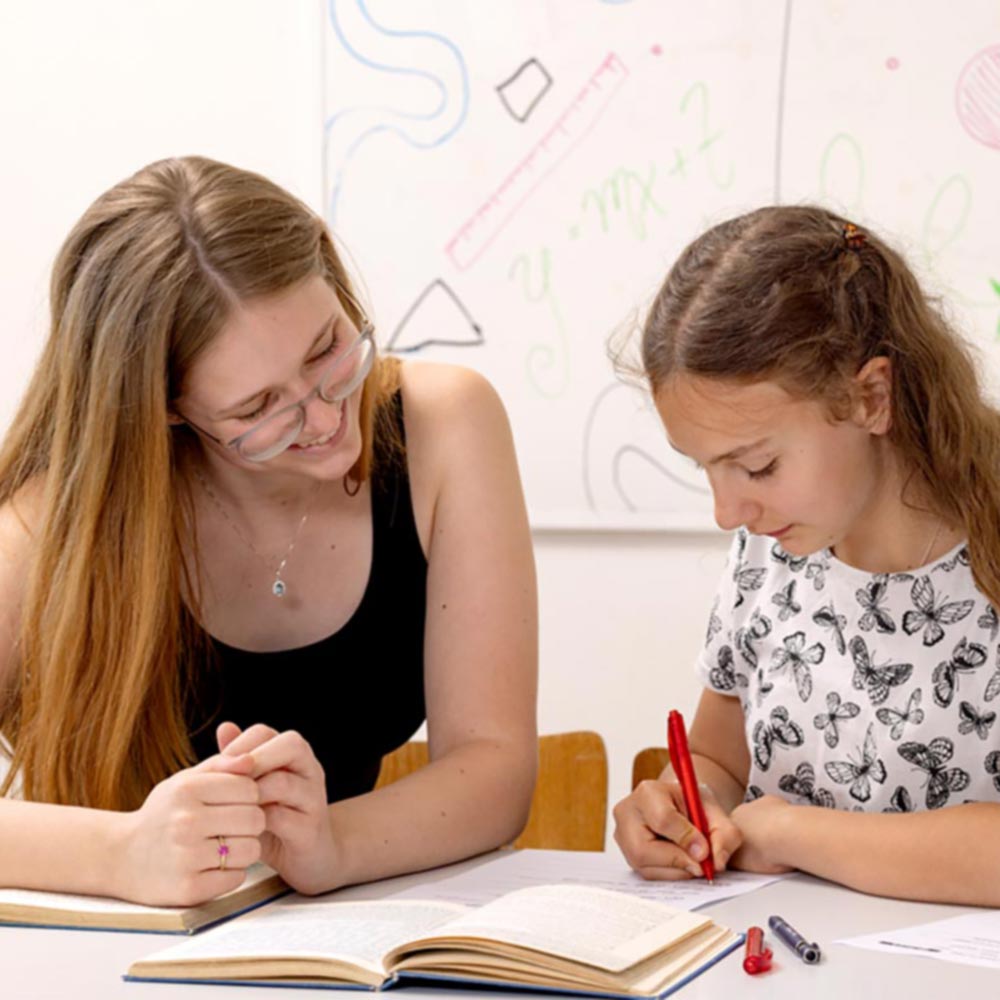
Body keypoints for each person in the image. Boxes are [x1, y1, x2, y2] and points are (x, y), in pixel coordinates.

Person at [0, 156, 537, 906]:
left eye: (327, 350)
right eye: (257, 409)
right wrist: (120, 854)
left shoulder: (447, 423)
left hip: (337, 937)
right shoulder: (58, 515)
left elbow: (493, 765)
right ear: (165, 408)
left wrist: (334, 844)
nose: (324, 419)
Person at [612, 205, 1000, 907]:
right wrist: (684, 807)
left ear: (870, 398)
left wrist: (792, 832)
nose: (728, 512)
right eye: (706, 469)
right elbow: (718, 760)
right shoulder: (773, 553)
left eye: (756, 467)